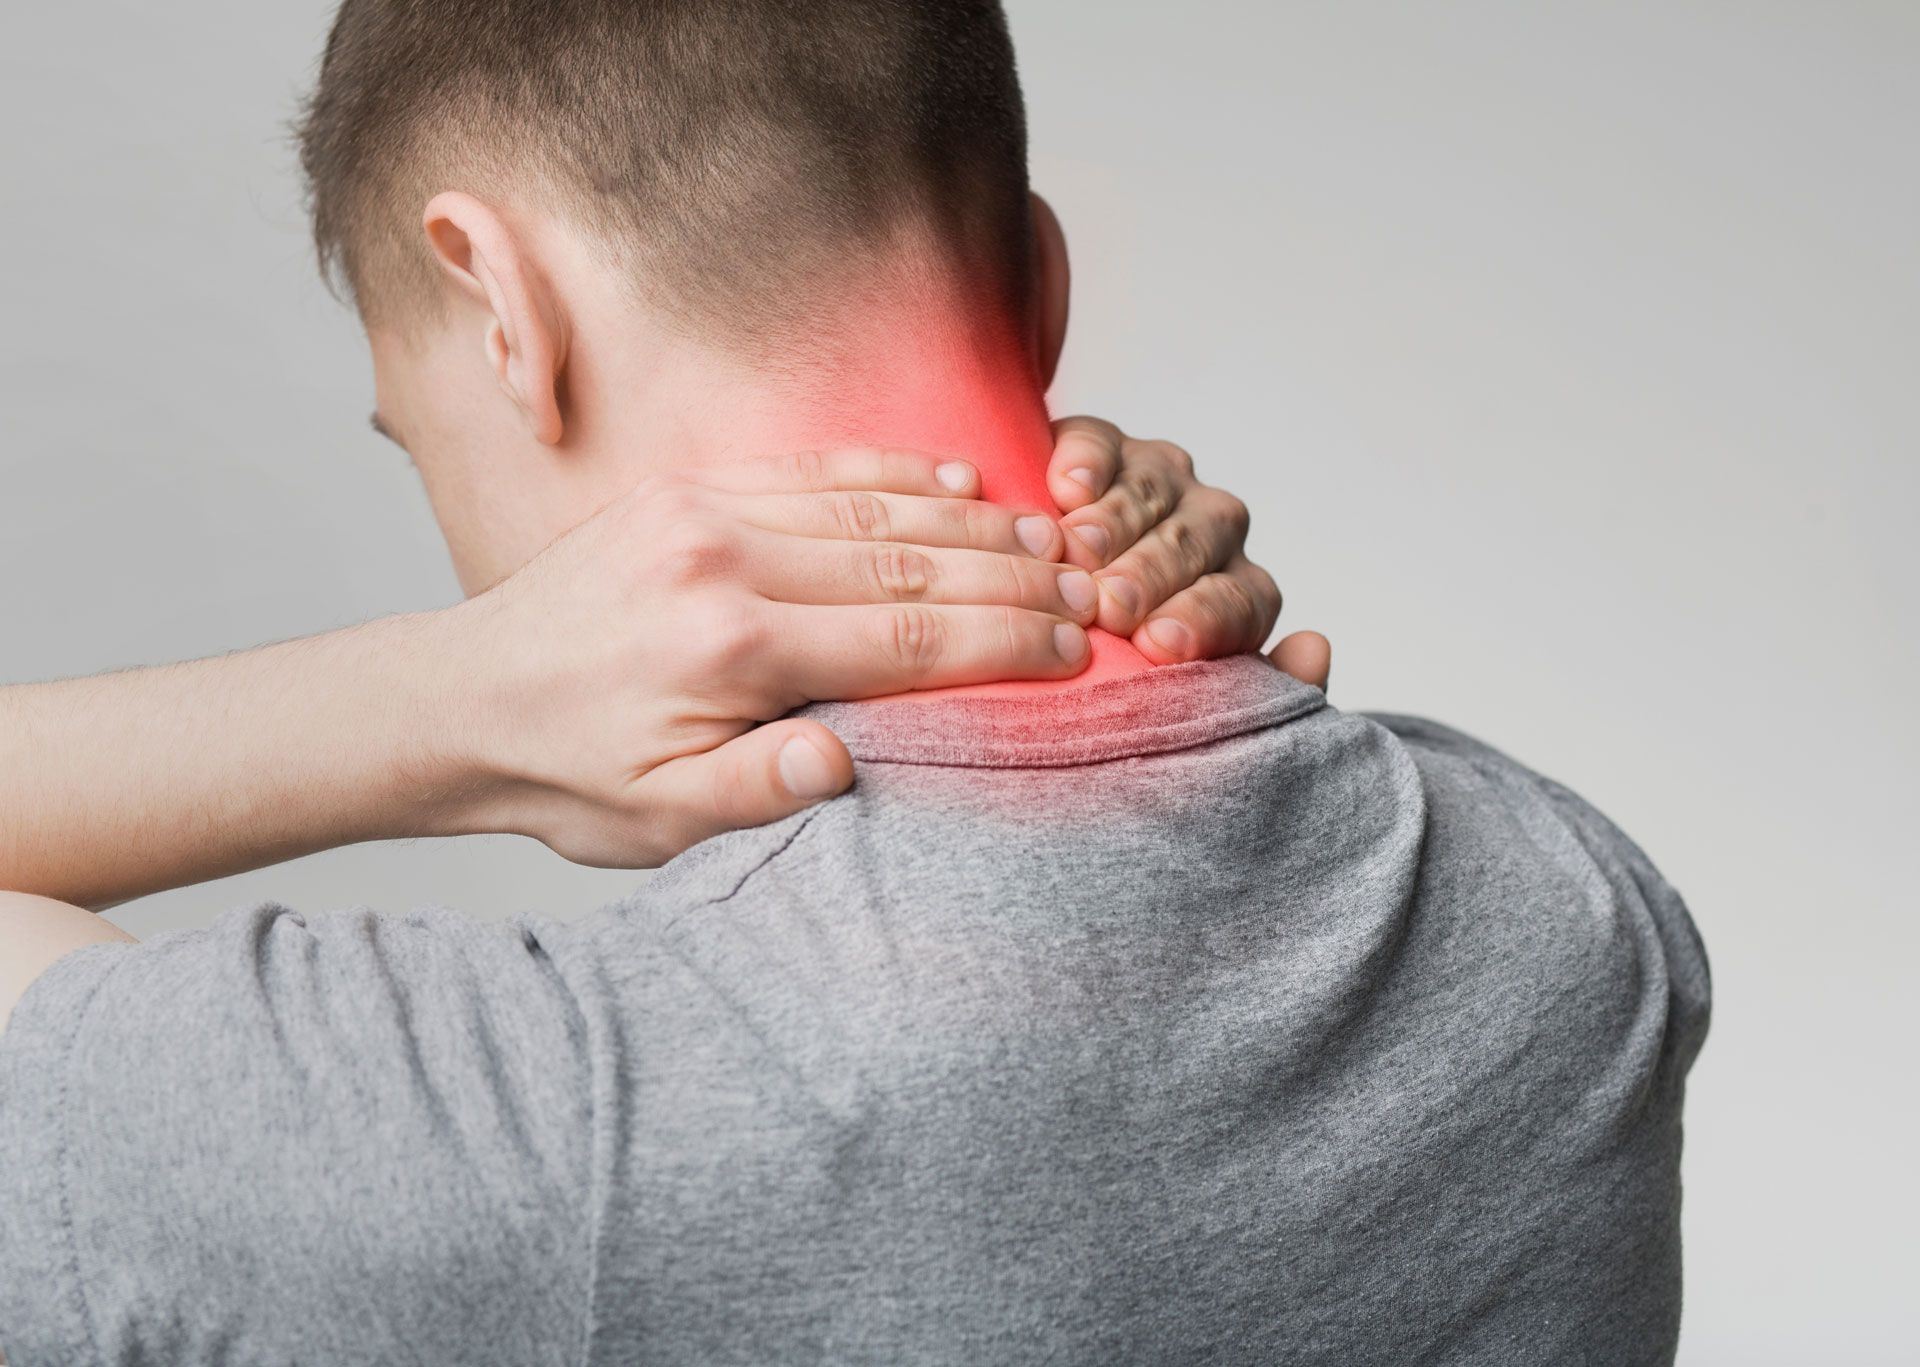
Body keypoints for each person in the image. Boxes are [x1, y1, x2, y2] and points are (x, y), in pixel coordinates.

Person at [0, 2, 1707, 1365]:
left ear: (504, 307)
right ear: (1039, 289)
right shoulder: (1579, 919)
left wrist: (444, 701)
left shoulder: (509, 1125)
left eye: (415, 438)